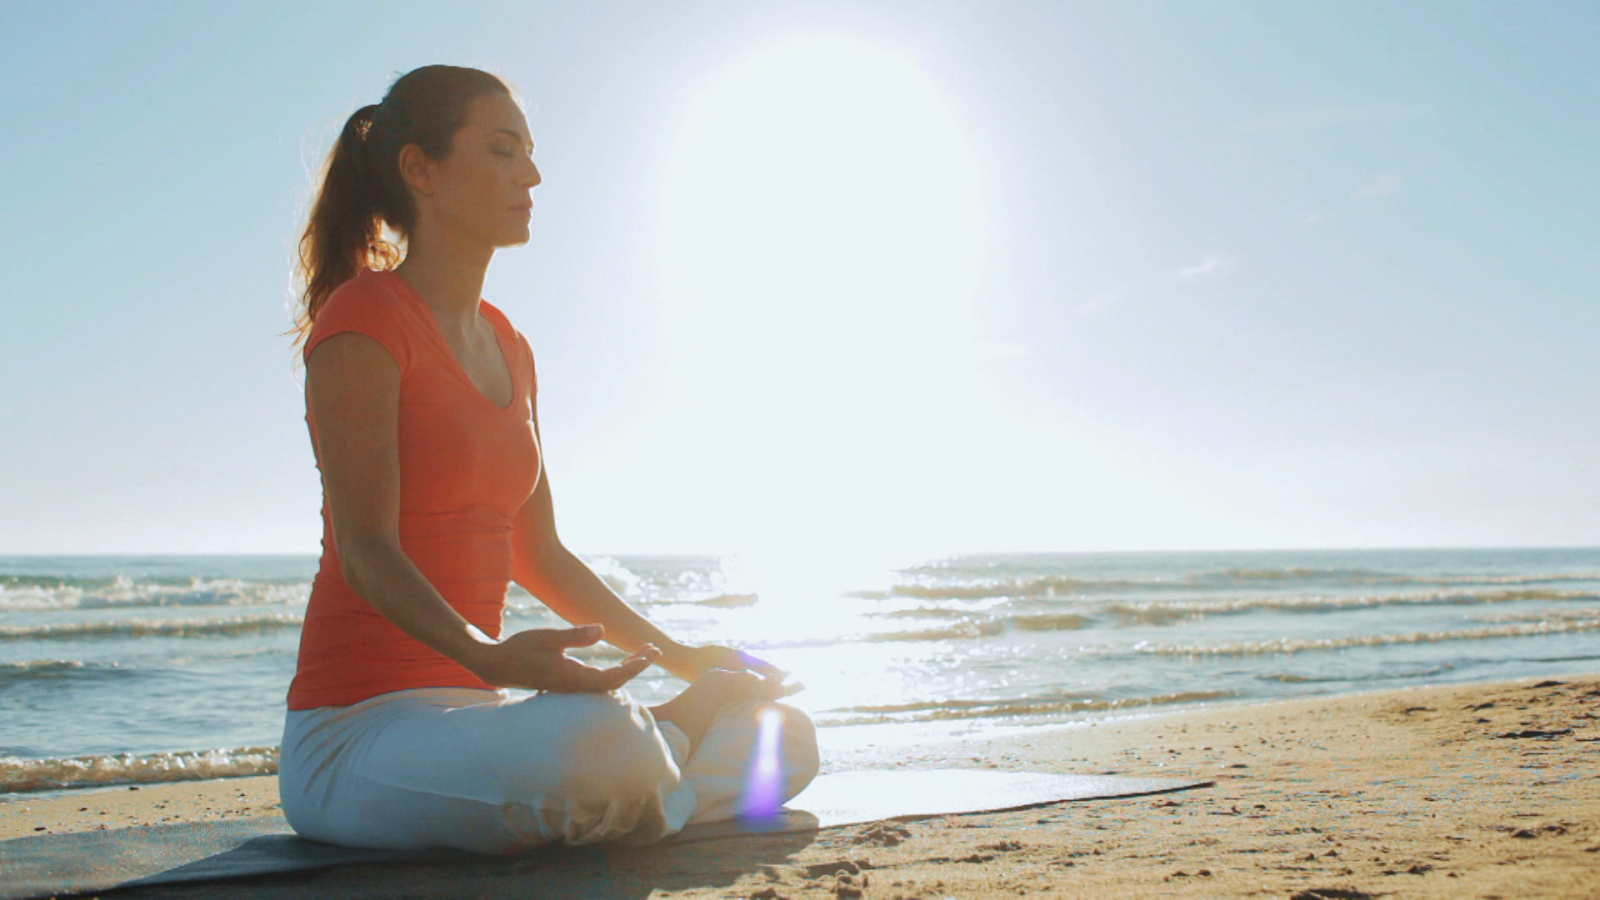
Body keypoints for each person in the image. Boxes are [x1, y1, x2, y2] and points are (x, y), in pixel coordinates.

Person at [278, 64, 819, 852]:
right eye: (502, 151)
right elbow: (366, 552)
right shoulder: (362, 320)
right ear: (420, 170)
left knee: (785, 734)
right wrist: (490, 654)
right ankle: (653, 764)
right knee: (601, 747)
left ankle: (645, 780)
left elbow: (541, 554)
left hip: (475, 724)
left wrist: (678, 657)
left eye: (528, 152)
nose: (531, 173)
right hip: (357, 734)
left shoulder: (510, 345)